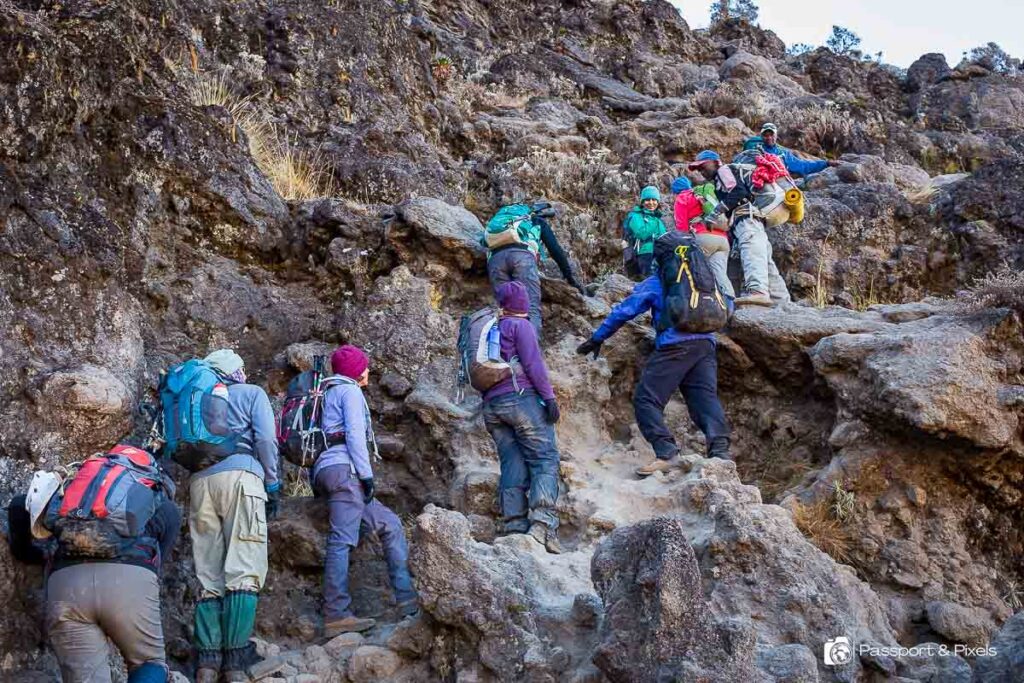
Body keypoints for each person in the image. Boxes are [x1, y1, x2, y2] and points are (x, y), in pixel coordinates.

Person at [21, 445, 180, 683]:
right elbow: (160, 552)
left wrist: (30, 555)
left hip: (66, 585)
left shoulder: (75, 488)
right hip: (128, 584)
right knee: (148, 662)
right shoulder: (153, 495)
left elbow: (18, 505)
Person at [576, 234, 731, 475]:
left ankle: (667, 453)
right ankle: (720, 454)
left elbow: (624, 311)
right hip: (707, 343)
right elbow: (727, 306)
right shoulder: (704, 279)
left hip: (675, 345)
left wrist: (597, 338)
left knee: (646, 400)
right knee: (704, 399)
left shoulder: (661, 280)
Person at [312, 344, 419, 637]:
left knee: (389, 524)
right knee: (341, 539)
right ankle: (336, 614)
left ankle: (407, 599)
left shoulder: (326, 391)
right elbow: (355, 437)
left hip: (325, 470)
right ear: (356, 371)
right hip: (345, 472)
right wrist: (367, 476)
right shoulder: (350, 392)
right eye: (365, 366)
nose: (368, 370)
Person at [189, 349, 281, 682]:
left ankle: (207, 664)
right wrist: (272, 483)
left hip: (199, 484)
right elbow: (267, 440)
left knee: (207, 573)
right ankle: (235, 662)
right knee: (245, 566)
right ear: (236, 371)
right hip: (242, 478)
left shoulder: (196, 403)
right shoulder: (251, 393)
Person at [481, 281, 564, 554]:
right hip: (521, 399)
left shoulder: (490, 327)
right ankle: (542, 525)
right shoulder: (521, 326)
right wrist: (549, 397)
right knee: (544, 460)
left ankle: (513, 523)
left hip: (491, 406)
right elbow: (533, 364)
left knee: (512, 462)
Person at [688, 149, 790, 307]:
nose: (701, 171)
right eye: (698, 169)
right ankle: (782, 302)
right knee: (765, 258)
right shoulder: (719, 179)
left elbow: (739, 192)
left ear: (715, 162)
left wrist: (715, 212)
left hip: (746, 218)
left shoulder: (723, 170)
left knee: (751, 249)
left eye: (703, 166)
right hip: (755, 217)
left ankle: (758, 291)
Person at [486, 204, 584, 332]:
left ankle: (504, 350)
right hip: (522, 257)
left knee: (505, 311)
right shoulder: (534, 220)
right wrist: (570, 278)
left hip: (495, 260)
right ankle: (530, 349)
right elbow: (556, 251)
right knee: (531, 308)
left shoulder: (500, 222)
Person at [671, 176, 734, 300]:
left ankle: (699, 303)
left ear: (675, 191)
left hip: (703, 237)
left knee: (695, 272)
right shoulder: (704, 195)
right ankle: (730, 302)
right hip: (723, 240)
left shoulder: (683, 197)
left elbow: (681, 227)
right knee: (720, 274)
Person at [743, 122, 839, 177]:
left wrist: (826, 163)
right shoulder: (754, 148)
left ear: (776, 135)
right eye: (765, 135)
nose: (768, 138)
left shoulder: (783, 153)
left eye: (771, 134)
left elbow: (803, 165)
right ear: (761, 136)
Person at [622, 185, 669, 278]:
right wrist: (654, 220)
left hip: (660, 254)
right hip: (645, 254)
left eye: (654, 200)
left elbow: (664, 236)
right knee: (650, 280)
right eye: (647, 200)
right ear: (642, 202)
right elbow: (641, 233)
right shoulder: (635, 216)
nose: (651, 203)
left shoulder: (657, 219)